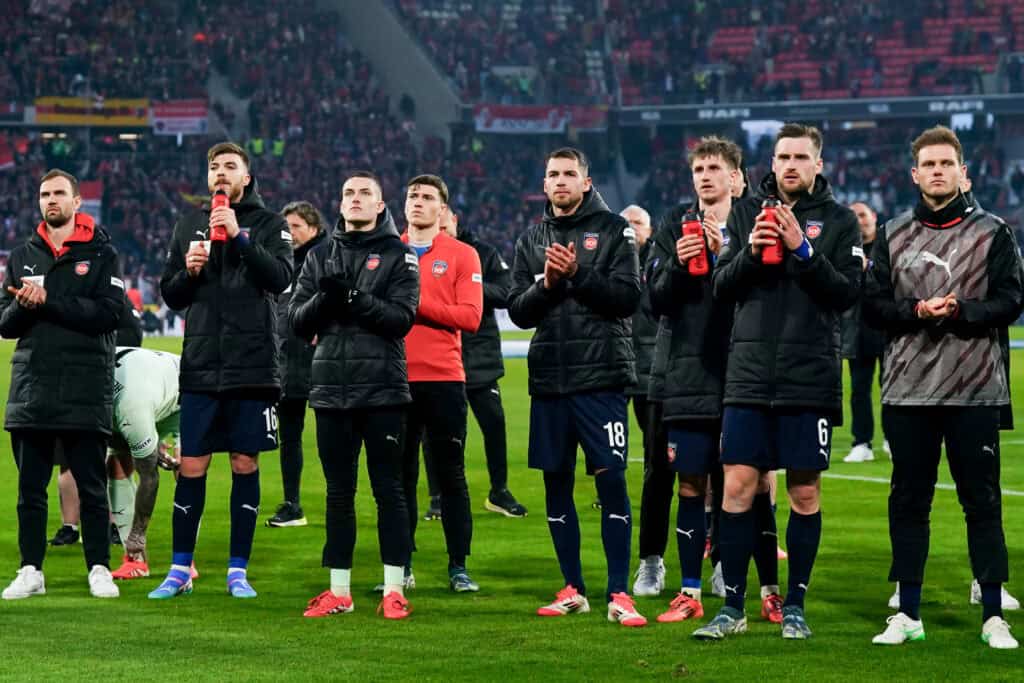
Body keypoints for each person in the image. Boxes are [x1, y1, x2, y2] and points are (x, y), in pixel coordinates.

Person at [694, 124, 862, 640]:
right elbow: (721, 287)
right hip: (747, 378)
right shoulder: (746, 213)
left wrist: (803, 252)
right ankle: (734, 607)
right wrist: (749, 251)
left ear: (818, 164)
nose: (789, 165)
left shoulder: (839, 222)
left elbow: (847, 294)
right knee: (739, 489)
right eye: (782, 156)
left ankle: (794, 606)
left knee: (803, 492)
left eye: (800, 157)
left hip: (808, 378)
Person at [866, 126, 1022, 649]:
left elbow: (1011, 300)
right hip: (907, 390)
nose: (937, 171)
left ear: (963, 172)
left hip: (974, 391)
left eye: (945, 164)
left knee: (982, 503)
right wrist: (915, 311)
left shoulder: (994, 232)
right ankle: (907, 613)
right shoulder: (890, 234)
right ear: (914, 174)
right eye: (928, 164)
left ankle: (993, 615)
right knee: (908, 502)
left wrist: (963, 310)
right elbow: (873, 306)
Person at [647, 137, 784, 625]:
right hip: (690, 373)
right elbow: (656, 299)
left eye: (714, 168)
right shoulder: (673, 227)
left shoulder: (755, 223)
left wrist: (726, 251)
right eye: (698, 168)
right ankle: (689, 590)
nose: (705, 175)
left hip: (747, 375)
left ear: (736, 177)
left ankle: (768, 589)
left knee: (755, 484)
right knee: (691, 484)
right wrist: (685, 265)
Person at [508, 147, 646, 627]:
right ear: (544, 185)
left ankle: (619, 592)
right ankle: (572, 587)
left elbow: (628, 298)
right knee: (556, 484)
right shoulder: (531, 239)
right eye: (552, 174)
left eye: (569, 174)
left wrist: (578, 275)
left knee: (611, 481)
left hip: (602, 377)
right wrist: (546, 285)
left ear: (586, 182)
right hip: (550, 379)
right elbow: (520, 312)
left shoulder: (614, 231)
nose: (560, 181)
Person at [150, 142, 292, 600]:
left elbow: (280, 279)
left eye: (230, 166)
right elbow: (171, 295)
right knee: (191, 465)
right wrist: (188, 273)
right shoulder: (189, 225)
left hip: (252, 365)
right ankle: (179, 569)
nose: (221, 173)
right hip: (201, 366)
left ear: (246, 178)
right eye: (214, 167)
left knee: (243, 461)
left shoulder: (271, 224)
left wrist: (241, 238)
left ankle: (237, 570)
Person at [289, 171, 419, 619]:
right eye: (349, 193)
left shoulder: (400, 256)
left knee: (389, 491)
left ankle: (394, 589)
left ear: (381, 206)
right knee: (338, 493)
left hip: (383, 390)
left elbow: (401, 319)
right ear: (340, 204)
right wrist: (328, 300)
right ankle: (339, 591)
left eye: (366, 193)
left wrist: (349, 297)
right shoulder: (318, 255)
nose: (356, 199)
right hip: (330, 391)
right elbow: (296, 321)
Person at [1, 169, 125, 600]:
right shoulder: (22, 256)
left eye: (58, 194)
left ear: (77, 202)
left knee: (92, 486)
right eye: (43, 194)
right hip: (32, 388)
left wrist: (48, 300)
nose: (49, 200)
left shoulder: (103, 254)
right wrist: (24, 305)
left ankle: (99, 568)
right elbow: (4, 324)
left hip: (85, 386)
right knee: (29, 490)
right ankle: (31, 569)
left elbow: (110, 315)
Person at [400, 174, 483, 592]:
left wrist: (414, 302)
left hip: (444, 379)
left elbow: (470, 317)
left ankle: (458, 567)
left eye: (427, 196)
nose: (418, 201)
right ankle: (401, 567)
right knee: (398, 479)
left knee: (451, 476)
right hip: (394, 380)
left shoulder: (462, 255)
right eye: (412, 195)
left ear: (442, 210)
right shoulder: (385, 252)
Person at [432, 209, 527, 518]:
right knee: (438, 433)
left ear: (456, 220)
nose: (442, 232)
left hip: (478, 359)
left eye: (446, 226)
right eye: (437, 228)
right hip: (437, 359)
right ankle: (437, 498)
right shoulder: (419, 254)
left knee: (494, 424)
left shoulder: (482, 254)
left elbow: (507, 292)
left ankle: (499, 491)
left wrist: (466, 287)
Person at [50, 294, 143, 547]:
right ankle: (71, 526)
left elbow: (131, 337)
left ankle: (114, 523)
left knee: (115, 456)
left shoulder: (109, 298)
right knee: (70, 458)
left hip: (109, 385)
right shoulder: (106, 297)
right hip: (73, 384)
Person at [618, 204, 670, 597]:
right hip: (618, 369)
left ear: (649, 230)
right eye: (627, 223)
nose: (631, 228)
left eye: (637, 222)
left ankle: (714, 555)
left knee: (659, 460)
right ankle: (647, 559)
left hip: (654, 369)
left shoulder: (659, 258)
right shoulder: (610, 257)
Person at [266, 201, 327, 528]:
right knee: (289, 437)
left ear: (314, 229)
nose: (289, 233)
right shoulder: (281, 263)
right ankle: (293, 505)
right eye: (285, 226)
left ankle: (339, 500)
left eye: (296, 226)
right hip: (288, 363)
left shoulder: (327, 258)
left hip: (321, 362)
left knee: (335, 437)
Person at [106, 347, 182, 579]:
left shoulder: (130, 407)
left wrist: (139, 532)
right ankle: (135, 561)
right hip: (147, 387)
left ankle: (184, 561)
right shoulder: (81, 392)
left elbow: (150, 476)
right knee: (115, 465)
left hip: (182, 392)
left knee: (186, 468)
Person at [841, 201, 889, 463]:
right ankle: (862, 443)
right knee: (859, 389)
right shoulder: (845, 248)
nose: (858, 220)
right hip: (857, 328)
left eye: (862, 214)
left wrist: (868, 269)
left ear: (874, 216)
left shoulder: (888, 244)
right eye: (853, 216)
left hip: (886, 326)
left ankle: (893, 439)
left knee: (891, 388)